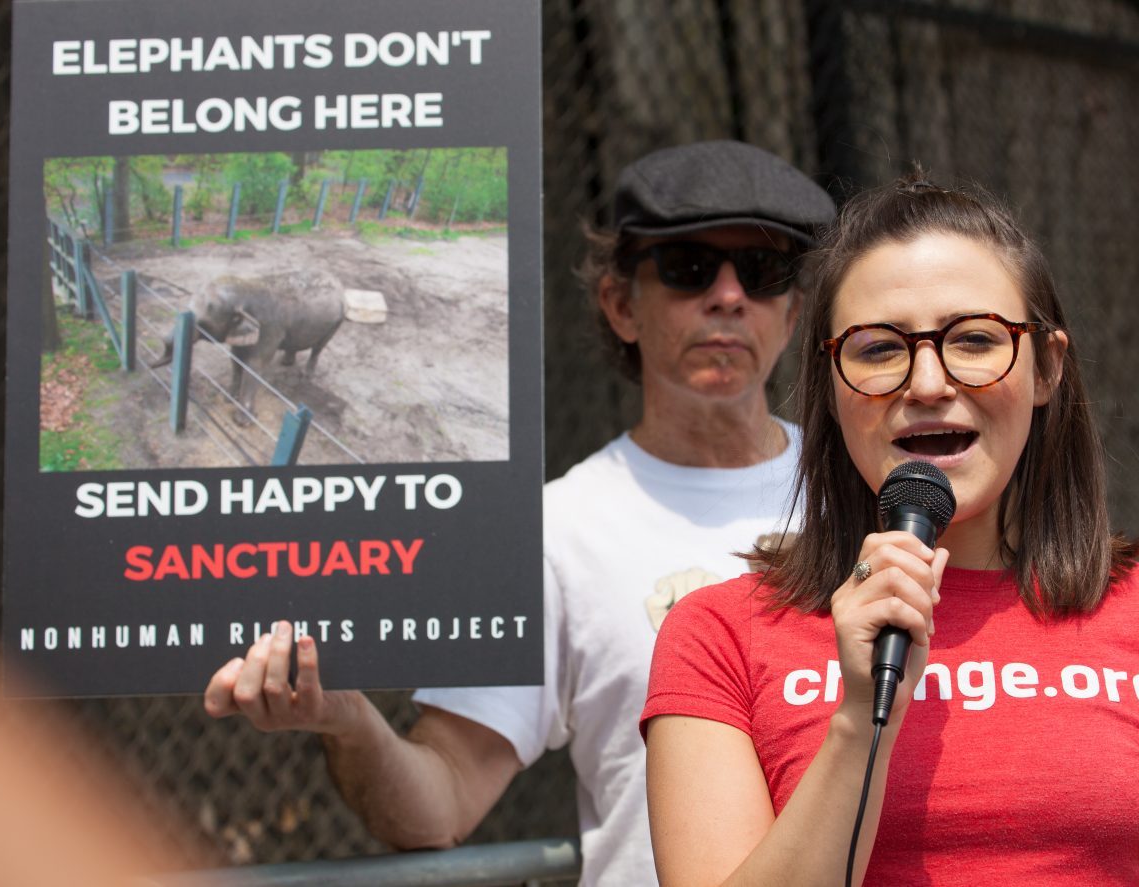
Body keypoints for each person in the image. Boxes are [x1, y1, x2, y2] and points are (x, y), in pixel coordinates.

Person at [204, 140, 837, 885]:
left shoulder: (871, 496)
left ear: (794, 312)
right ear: (621, 304)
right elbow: (440, 800)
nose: (729, 296)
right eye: (688, 268)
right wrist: (346, 716)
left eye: (761, 274)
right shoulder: (554, 534)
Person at [642, 174, 1139, 885]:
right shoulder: (719, 637)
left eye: (974, 339)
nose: (929, 381)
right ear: (830, 385)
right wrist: (856, 721)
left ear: (1047, 366)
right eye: (878, 349)